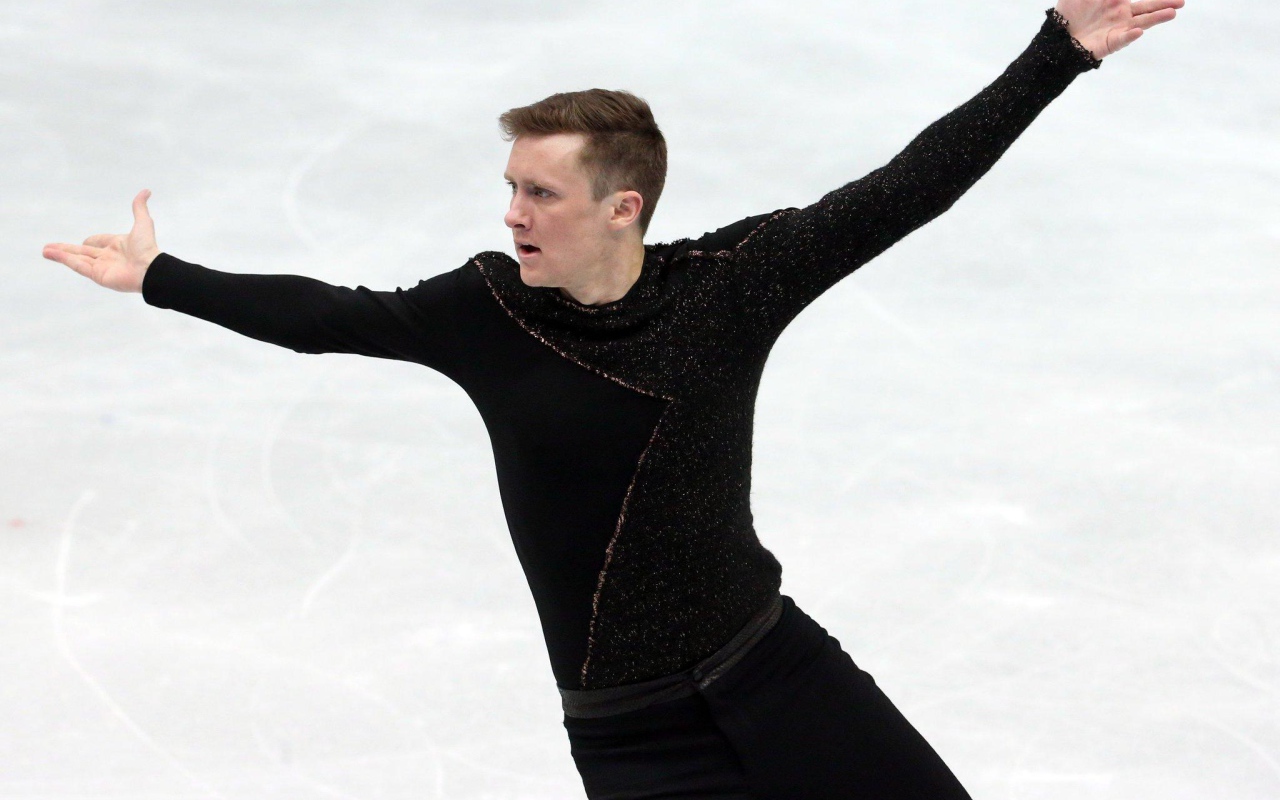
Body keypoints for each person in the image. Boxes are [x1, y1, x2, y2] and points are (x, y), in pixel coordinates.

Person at [42, 1, 1184, 797]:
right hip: (636, 739)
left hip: (779, 671)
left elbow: (903, 189)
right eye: (510, 188)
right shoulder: (486, 309)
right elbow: (328, 315)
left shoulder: (729, 287)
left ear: (622, 205)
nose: (512, 214)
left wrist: (1057, 50)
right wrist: (160, 276)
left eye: (539, 193)